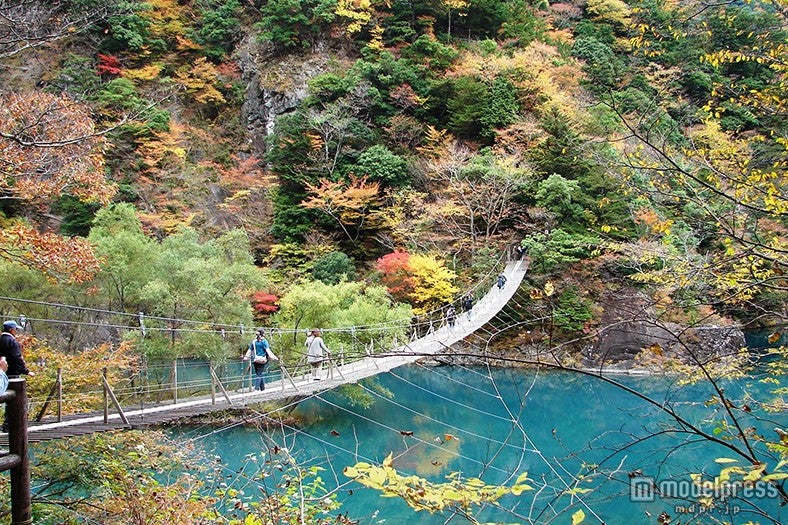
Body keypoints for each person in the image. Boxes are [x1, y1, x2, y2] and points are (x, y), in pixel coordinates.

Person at [0, 320, 32, 432]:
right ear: (11, 329)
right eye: (15, 329)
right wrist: (26, 371)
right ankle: (10, 424)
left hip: (1, 374)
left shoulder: (0, 339)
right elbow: (16, 358)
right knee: (14, 399)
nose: (16, 331)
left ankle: (6, 424)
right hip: (12, 374)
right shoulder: (12, 341)